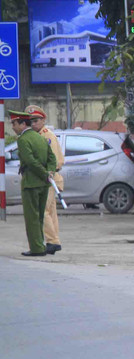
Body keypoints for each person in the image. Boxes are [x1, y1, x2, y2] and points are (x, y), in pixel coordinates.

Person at [10, 110, 56, 257]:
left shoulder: (23, 140)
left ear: (23, 124)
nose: (13, 127)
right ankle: (40, 245)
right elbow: (52, 158)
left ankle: (37, 248)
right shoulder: (40, 137)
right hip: (44, 184)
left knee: (32, 218)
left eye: (14, 124)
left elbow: (30, 161)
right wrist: (49, 173)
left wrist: (44, 173)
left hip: (31, 182)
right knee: (40, 216)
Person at [26, 105, 64, 254]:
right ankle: (54, 241)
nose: (33, 124)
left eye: (36, 120)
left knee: (43, 210)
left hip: (49, 177)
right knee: (50, 211)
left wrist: (47, 173)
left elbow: (51, 159)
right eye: (31, 121)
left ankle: (52, 241)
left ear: (43, 120)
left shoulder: (46, 136)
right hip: (49, 177)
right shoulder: (39, 135)